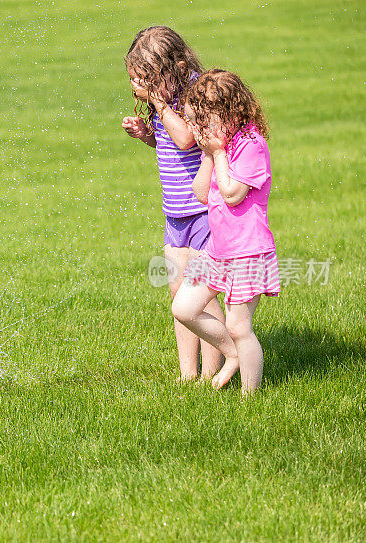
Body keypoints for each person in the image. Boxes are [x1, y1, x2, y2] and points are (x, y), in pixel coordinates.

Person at [122, 26, 225, 381]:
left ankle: (215, 374)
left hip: (203, 212)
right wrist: (147, 134)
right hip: (176, 213)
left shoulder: (195, 94)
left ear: (175, 67)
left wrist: (160, 104)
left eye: (148, 79)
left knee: (203, 296)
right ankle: (187, 375)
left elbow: (185, 140)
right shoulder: (163, 99)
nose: (143, 88)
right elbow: (167, 144)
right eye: (138, 81)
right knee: (179, 291)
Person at [173, 69, 280, 393]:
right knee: (183, 308)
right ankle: (233, 355)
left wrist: (218, 153)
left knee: (238, 326)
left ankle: (251, 397)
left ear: (225, 114)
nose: (194, 130)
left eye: (199, 122)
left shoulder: (251, 144)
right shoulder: (221, 145)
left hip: (248, 252)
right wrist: (209, 154)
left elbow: (233, 194)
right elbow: (203, 194)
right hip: (219, 250)